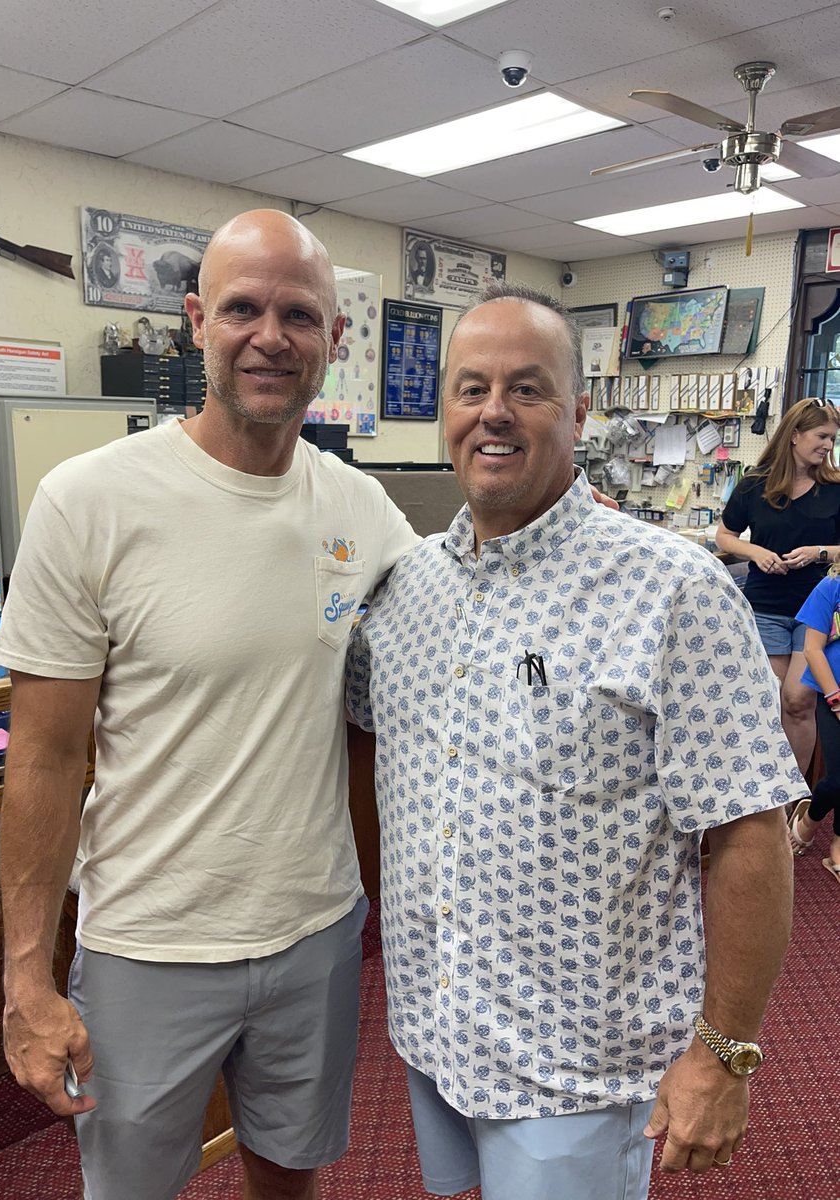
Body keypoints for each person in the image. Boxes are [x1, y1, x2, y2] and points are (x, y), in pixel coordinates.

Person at [0, 209, 419, 1200]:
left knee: (292, 1180)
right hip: (151, 945)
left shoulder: (362, 508)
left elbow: (454, 634)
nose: (270, 335)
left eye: (299, 314)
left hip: (314, 934)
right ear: (197, 322)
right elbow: (46, 757)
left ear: (335, 340)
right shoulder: (87, 500)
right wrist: (25, 977)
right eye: (242, 309)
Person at [346, 281, 800, 1200]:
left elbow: (751, 831)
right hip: (437, 1024)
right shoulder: (404, 592)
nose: (494, 413)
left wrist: (724, 1058)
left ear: (580, 409)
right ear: (445, 411)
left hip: (578, 1063)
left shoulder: (671, 589)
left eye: (528, 387)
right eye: (471, 389)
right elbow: (370, 751)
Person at [715, 397, 840, 776]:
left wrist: (820, 552)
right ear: (794, 435)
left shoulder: (835, 487)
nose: (828, 446)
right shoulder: (754, 483)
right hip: (765, 606)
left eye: (833, 439)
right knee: (769, 701)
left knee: (798, 699)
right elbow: (725, 536)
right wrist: (755, 552)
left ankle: (792, 795)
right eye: (822, 436)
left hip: (817, 611)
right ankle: (766, 789)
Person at [790, 559, 840, 878]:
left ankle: (838, 839)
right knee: (837, 778)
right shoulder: (830, 588)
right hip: (832, 692)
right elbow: (812, 649)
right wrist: (835, 699)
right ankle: (810, 817)